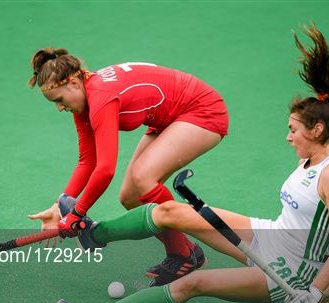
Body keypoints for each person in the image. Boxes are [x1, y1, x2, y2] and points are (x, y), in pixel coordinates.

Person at [53, 23, 329, 303]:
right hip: (270, 235)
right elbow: (321, 228)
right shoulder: (311, 159)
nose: (289, 138)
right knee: (171, 211)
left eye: (294, 131)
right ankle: (93, 233)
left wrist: (316, 290)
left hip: (290, 271)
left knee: (192, 284)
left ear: (317, 131)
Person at [27, 49, 230, 285]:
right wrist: (59, 205)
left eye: (59, 101)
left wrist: (77, 213)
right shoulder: (83, 100)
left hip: (202, 110)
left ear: (72, 82)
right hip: (167, 119)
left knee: (143, 178)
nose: (60, 108)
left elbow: (105, 169)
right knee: (130, 196)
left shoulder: (101, 97)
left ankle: (181, 255)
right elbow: (87, 161)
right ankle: (188, 251)